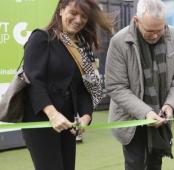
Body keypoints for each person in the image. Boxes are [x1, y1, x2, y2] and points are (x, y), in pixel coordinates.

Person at [21, 0, 112, 169]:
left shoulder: (79, 47)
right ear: (61, 10)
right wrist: (52, 114)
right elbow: (33, 81)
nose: (78, 20)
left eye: (84, 16)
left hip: (68, 122)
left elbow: (82, 88)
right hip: (41, 120)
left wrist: (86, 116)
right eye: (73, 13)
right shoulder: (41, 38)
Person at [105, 0, 174, 169]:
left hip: (160, 115)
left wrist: (170, 105)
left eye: (160, 29)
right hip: (130, 119)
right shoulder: (119, 42)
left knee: (155, 163)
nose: (156, 35)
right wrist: (146, 112)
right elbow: (116, 86)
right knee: (135, 164)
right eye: (150, 31)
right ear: (136, 21)